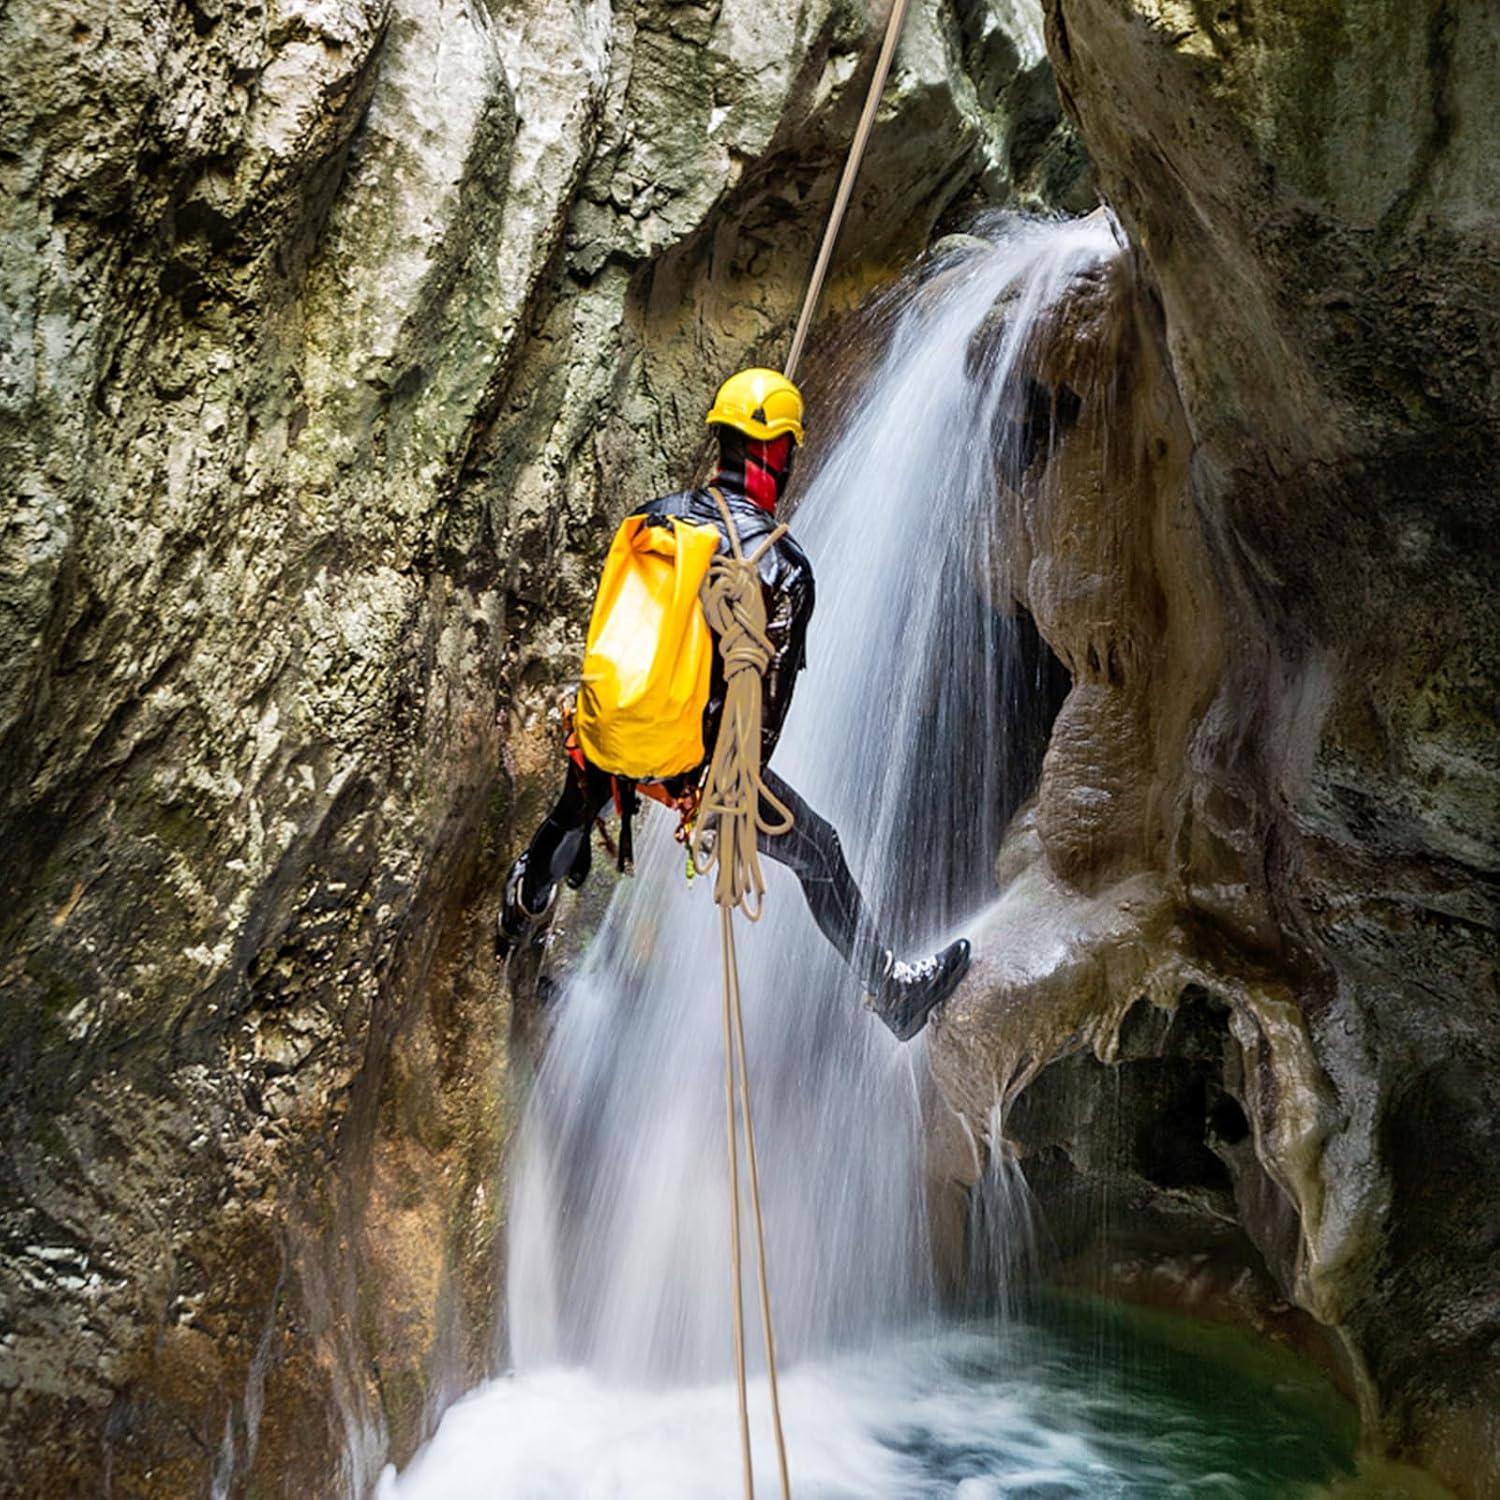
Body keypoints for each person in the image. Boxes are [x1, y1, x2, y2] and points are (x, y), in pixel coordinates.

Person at [496, 368, 970, 1040]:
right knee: (822, 851)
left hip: (614, 731)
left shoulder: (649, 520)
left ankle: (525, 902)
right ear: (778, 450)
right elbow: (763, 715)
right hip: (699, 769)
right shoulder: (781, 566)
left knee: (584, 795)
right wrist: (720, 808)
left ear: (719, 438)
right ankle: (889, 987)